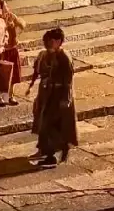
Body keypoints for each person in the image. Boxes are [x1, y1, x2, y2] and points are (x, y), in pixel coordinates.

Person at [28, 27, 77, 166]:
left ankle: (52, 155)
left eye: (50, 41)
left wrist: (66, 98)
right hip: (46, 93)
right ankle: (43, 150)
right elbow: (38, 71)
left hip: (58, 95)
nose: (47, 44)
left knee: (53, 125)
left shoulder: (64, 56)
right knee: (42, 122)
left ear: (58, 41)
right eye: (46, 41)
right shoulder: (45, 55)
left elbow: (68, 79)